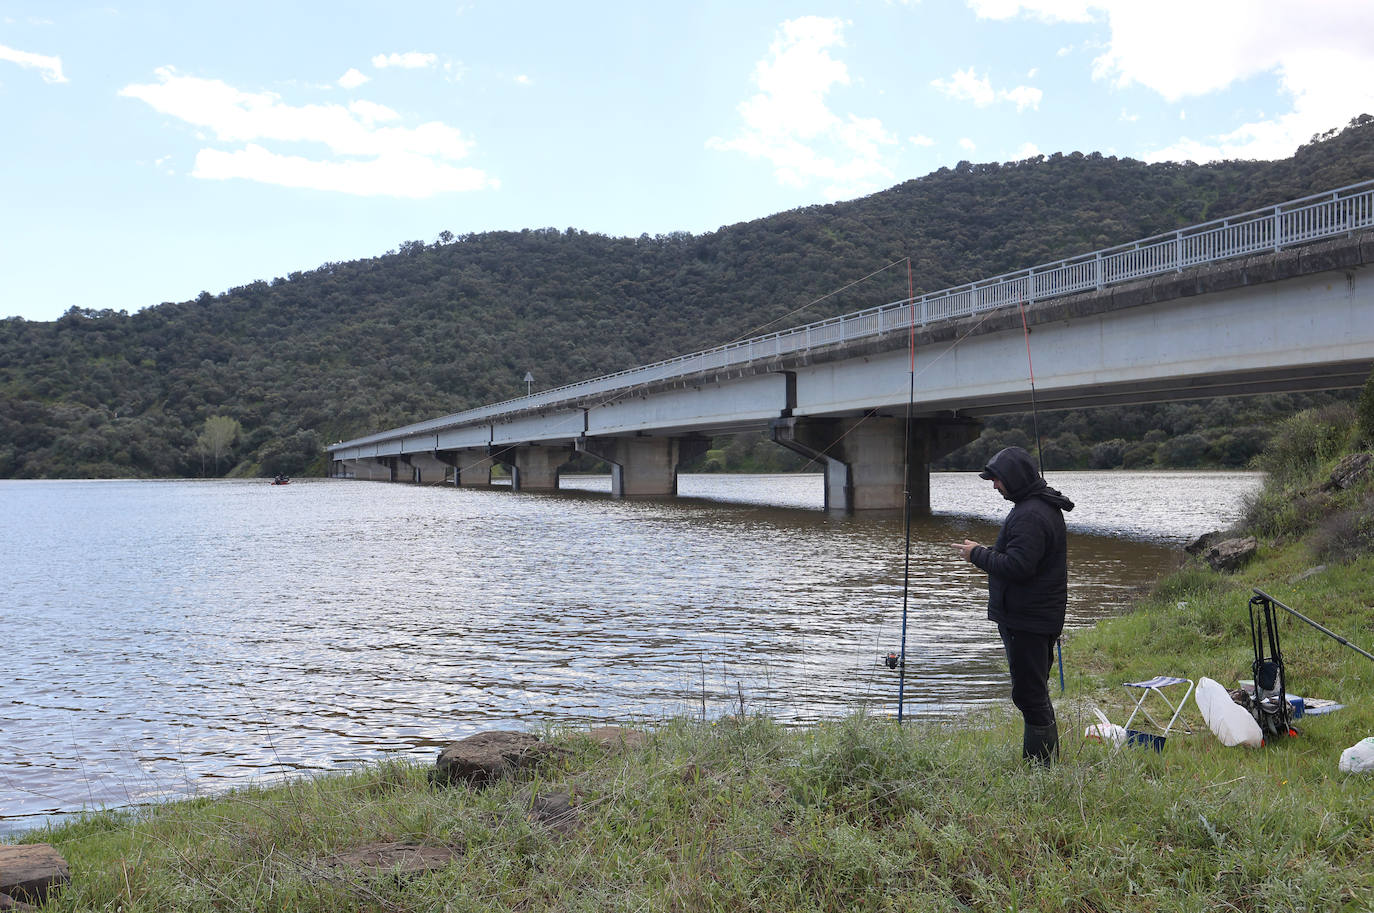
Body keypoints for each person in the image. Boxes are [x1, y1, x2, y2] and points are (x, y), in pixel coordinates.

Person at [951, 446, 1074, 766]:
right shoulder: (1036, 507)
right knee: (1034, 691)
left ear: (1015, 479)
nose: (994, 486)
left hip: (1028, 621)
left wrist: (976, 554)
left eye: (997, 479)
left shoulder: (1032, 514)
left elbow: (1019, 567)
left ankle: (1040, 770)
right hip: (1033, 617)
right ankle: (1043, 765)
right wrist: (990, 551)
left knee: (1029, 696)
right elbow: (1023, 557)